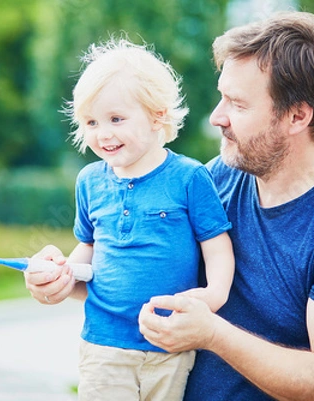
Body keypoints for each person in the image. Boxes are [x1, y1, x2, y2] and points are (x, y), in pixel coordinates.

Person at [135, 11, 314, 400]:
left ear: (297, 116)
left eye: (238, 105)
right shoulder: (215, 180)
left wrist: (212, 333)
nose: (216, 118)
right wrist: (71, 275)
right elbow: (145, 261)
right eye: (222, 96)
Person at [25, 38, 235, 401]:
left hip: (168, 342)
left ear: (158, 116)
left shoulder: (189, 178)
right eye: (91, 122)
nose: (102, 133)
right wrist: (62, 273)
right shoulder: (89, 181)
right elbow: (89, 246)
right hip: (103, 344)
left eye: (116, 119)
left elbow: (217, 248)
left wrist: (213, 296)